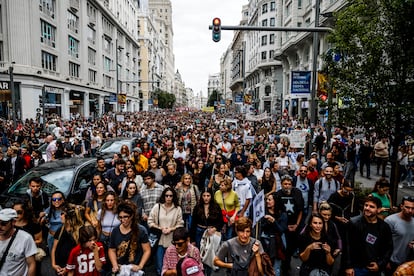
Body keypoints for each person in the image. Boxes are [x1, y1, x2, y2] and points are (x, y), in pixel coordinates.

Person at [343, 196, 393, 276]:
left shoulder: (384, 227)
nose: (367, 208)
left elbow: (388, 248)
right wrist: (348, 266)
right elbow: (347, 246)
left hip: (375, 268)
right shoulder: (354, 223)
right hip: (357, 268)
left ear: (379, 210)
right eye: (366, 205)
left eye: (372, 207)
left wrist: (380, 264)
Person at [148, 187, 184, 275]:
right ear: (163, 196)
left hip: (172, 241)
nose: (168, 198)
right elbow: (150, 221)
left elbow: (181, 223)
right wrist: (161, 228)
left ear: (173, 197)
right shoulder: (157, 207)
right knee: (160, 266)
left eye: (170, 196)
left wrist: (171, 229)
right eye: (166, 195)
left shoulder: (177, 209)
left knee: (172, 266)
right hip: (159, 240)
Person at [108, 201, 151, 274]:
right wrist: (115, 265)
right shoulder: (115, 231)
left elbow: (147, 250)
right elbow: (112, 250)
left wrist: (140, 266)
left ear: (131, 216)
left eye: (125, 217)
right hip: (120, 268)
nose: (122, 220)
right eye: (120, 217)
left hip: (135, 269)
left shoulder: (141, 230)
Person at [274, 174, 304, 275]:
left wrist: (296, 224)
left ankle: (288, 264)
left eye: (289, 184)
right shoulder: (278, 194)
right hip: (283, 226)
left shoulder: (297, 193)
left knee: (292, 247)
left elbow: (300, 210)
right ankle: (284, 268)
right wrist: (284, 226)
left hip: (295, 225)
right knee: (284, 248)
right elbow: (276, 212)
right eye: (285, 184)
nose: (287, 186)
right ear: (281, 184)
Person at [0, 208, 37, 276]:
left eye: (3, 223)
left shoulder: (26, 238)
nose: (0, 226)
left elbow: (31, 264)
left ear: (13, 222)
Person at [51, 204, 84, 276]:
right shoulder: (60, 230)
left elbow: (79, 253)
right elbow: (54, 249)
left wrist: (67, 269)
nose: (60, 216)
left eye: (62, 214)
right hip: (59, 266)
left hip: (73, 268)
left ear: (68, 218)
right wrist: (54, 265)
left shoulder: (78, 232)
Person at [384, 196, 414, 275]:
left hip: (408, 264)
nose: (410, 210)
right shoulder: (390, 220)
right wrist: (385, 261)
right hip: (392, 262)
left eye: (413, 208)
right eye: (407, 207)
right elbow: (382, 242)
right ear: (401, 206)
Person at [260, 193, 288, 276]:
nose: (267, 201)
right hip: (265, 241)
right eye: (266, 200)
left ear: (276, 201)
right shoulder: (263, 212)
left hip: (278, 243)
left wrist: (273, 221)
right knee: (264, 265)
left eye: (270, 199)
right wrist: (266, 222)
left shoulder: (283, 214)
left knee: (276, 267)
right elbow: (261, 226)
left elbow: (281, 230)